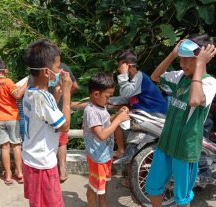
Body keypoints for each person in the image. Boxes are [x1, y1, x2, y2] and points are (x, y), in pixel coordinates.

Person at [146, 34, 216, 207]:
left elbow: (194, 100)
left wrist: (199, 65)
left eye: (188, 61)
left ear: (201, 60)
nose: (183, 64)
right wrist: (172, 54)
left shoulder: (209, 83)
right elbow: (155, 77)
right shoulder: (179, 77)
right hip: (165, 145)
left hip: (186, 151)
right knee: (153, 187)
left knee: (182, 197)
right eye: (181, 60)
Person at [22, 39, 72, 207]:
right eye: (58, 67)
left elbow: (42, 118)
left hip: (30, 158)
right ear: (46, 72)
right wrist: (66, 93)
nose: (61, 71)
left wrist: (55, 97)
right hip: (43, 164)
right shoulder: (44, 97)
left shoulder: (30, 92)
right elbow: (64, 126)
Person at [83, 72, 129, 207]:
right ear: (96, 94)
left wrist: (117, 115)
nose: (109, 100)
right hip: (98, 157)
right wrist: (119, 120)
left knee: (102, 186)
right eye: (107, 96)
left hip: (104, 154)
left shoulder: (100, 106)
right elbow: (101, 135)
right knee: (95, 186)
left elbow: (106, 123)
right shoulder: (91, 111)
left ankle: (102, 203)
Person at [111, 51, 167, 160]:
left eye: (121, 67)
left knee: (117, 120)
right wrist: (108, 99)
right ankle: (124, 152)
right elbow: (126, 97)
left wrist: (122, 75)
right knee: (118, 120)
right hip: (144, 115)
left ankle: (122, 151)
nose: (119, 70)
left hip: (154, 115)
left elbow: (126, 92)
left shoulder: (140, 77)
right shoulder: (134, 79)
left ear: (130, 66)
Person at [0, 58, 27, 185]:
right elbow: (17, 95)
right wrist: (27, 84)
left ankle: (8, 176)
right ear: (5, 70)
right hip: (12, 117)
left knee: (4, 148)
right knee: (16, 145)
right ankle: (20, 173)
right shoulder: (8, 82)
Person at [51, 62, 79, 183]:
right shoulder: (64, 68)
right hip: (62, 110)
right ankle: (62, 171)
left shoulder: (42, 69)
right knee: (62, 142)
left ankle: (53, 173)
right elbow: (76, 86)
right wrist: (65, 93)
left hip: (48, 110)